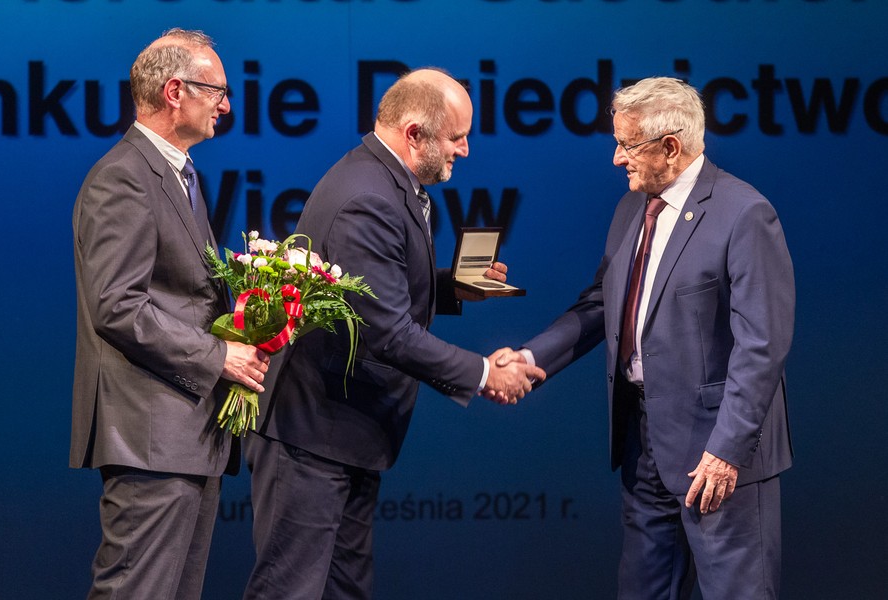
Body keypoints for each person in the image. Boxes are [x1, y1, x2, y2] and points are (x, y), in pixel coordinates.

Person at [242, 68, 546, 599]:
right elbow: (385, 330)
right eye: (457, 138)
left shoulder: (386, 181)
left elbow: (371, 292)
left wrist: (451, 288)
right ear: (414, 134)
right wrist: (483, 373)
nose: (466, 150)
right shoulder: (369, 197)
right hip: (312, 436)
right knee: (288, 592)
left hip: (343, 435)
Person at [497, 77, 795, 599]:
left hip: (717, 456)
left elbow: (762, 347)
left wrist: (726, 450)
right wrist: (531, 356)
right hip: (644, 446)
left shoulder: (744, 214)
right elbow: (601, 304)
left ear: (671, 147)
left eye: (627, 146)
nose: (616, 159)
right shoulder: (632, 208)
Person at [70, 29, 270, 600]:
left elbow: (176, 294)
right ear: (175, 91)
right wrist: (217, 355)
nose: (227, 106)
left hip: (185, 433)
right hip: (149, 436)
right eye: (218, 91)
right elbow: (118, 305)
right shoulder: (122, 177)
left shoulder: (180, 174)